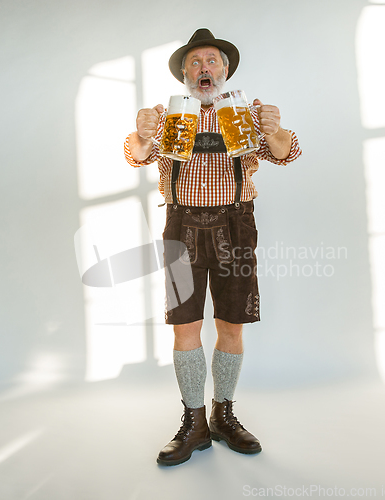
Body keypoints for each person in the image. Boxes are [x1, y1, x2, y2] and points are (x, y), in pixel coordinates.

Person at [124, 28, 302, 466]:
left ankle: (224, 414)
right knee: (184, 326)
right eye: (196, 62)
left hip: (235, 225)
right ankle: (194, 422)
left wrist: (276, 129)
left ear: (225, 70)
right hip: (181, 226)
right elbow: (135, 154)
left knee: (231, 325)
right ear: (185, 73)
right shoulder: (167, 118)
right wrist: (142, 133)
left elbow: (287, 152)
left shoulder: (246, 114)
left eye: (213, 61)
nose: (205, 68)